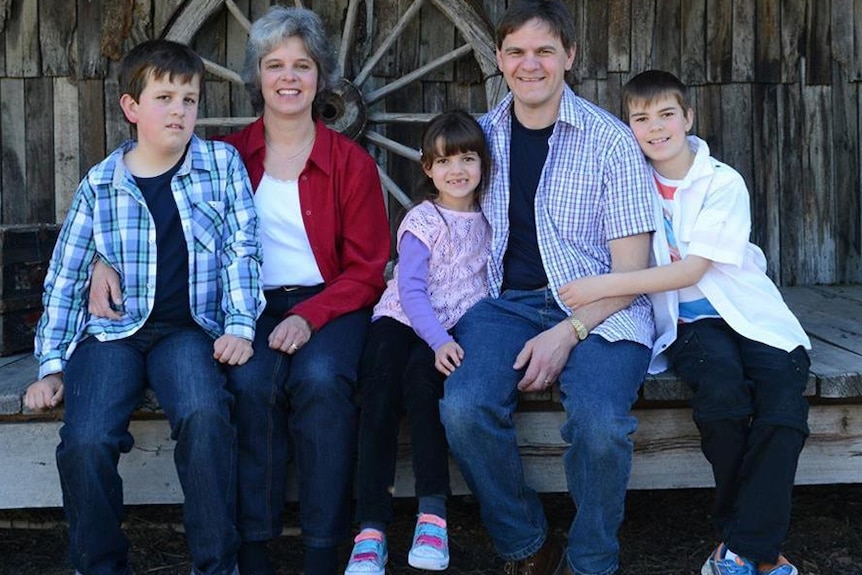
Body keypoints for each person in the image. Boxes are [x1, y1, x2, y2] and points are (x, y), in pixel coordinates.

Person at [90, 7, 390, 575]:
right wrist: (100, 262)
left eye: (303, 65)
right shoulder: (222, 159)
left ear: (320, 77)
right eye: (275, 64)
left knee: (323, 384)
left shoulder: (349, 162)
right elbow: (140, 206)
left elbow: (369, 268)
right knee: (248, 385)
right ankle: (253, 547)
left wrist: (310, 317)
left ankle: (323, 550)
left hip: (330, 304)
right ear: (257, 77)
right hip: (242, 304)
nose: (289, 76)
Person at [24, 39, 263, 575]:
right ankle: (100, 564)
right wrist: (52, 364)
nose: (179, 110)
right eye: (164, 97)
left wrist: (241, 325)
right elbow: (66, 276)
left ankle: (216, 564)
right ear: (132, 108)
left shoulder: (221, 166)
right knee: (85, 440)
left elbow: (241, 251)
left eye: (189, 99)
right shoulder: (102, 184)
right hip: (115, 334)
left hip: (189, 332)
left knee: (205, 416)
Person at [558, 69, 811, 575]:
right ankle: (757, 550)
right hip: (690, 324)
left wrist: (599, 287)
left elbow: (695, 268)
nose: (655, 128)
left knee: (784, 411)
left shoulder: (721, 181)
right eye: (641, 118)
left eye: (666, 114)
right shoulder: (631, 184)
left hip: (751, 315)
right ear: (629, 127)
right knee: (722, 402)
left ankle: (738, 548)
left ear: (688, 117)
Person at [436, 1, 658, 574]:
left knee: (601, 423)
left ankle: (591, 560)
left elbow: (632, 274)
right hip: (504, 305)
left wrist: (569, 331)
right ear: (500, 58)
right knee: (463, 407)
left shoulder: (611, 143)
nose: (529, 65)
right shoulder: (480, 139)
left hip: (603, 305)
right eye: (515, 51)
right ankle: (527, 546)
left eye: (544, 51)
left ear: (570, 57)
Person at [344, 110, 492, 575]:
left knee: (425, 390)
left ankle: (433, 514)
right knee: (380, 390)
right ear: (428, 168)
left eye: (468, 159)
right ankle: (370, 528)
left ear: (484, 164)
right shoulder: (423, 220)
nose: (457, 171)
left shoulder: (491, 221)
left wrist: (446, 342)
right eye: (445, 161)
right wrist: (437, 339)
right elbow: (410, 289)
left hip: (449, 332)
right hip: (403, 321)